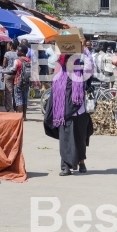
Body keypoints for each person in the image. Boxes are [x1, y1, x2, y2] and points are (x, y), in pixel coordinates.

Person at [44, 48, 94, 176]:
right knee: (65, 140)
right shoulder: (59, 71)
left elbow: (90, 65)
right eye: (67, 59)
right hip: (63, 113)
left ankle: (82, 163)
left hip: (80, 112)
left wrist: (83, 48)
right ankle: (65, 166)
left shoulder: (81, 71)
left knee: (80, 139)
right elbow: (54, 89)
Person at [4, 45, 31, 121]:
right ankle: (24, 116)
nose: (17, 52)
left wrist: (4, 71)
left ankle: (20, 116)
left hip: (18, 81)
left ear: (22, 52)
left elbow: (13, 70)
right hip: (27, 82)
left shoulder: (17, 60)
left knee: (19, 99)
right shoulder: (29, 60)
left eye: (18, 50)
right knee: (25, 99)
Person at [2, 42, 18, 112]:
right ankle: (16, 107)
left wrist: (2, 75)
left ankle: (9, 108)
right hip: (16, 74)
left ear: (11, 46)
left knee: (9, 92)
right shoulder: (18, 54)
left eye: (8, 45)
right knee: (15, 92)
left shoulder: (7, 54)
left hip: (8, 74)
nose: (7, 46)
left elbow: (4, 65)